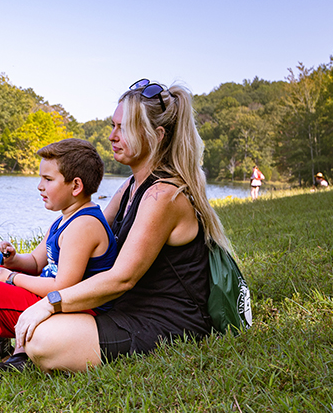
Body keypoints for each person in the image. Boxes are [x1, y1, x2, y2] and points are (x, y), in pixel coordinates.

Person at [14, 79, 235, 372]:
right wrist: (23, 263)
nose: (111, 136)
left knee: (43, 339)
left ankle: (24, 354)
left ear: (155, 135)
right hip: (123, 308)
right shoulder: (132, 185)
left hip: (165, 322)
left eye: (123, 128)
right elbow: (85, 227)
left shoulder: (163, 195)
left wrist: (50, 302)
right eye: (113, 126)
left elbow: (122, 278)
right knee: (11, 300)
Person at [0, 138, 118, 384]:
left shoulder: (83, 226)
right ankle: (0, 349)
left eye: (48, 180)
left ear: (76, 185)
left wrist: (12, 278)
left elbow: (62, 288)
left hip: (74, 311)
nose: (40, 186)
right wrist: (13, 260)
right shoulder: (64, 220)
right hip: (51, 299)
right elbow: (38, 263)